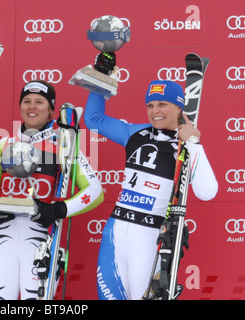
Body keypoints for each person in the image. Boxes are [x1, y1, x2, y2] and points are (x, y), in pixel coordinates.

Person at [83, 55, 218, 300]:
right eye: (150, 105)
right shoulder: (134, 132)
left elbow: (208, 192)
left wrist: (194, 143)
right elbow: (93, 120)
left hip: (149, 237)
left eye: (162, 104)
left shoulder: (186, 144)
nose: (155, 111)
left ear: (179, 107)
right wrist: (101, 78)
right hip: (115, 231)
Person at [0, 80, 103, 300]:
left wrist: (57, 210)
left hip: (40, 242)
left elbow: (95, 192)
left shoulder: (64, 145)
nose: (31, 107)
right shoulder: (2, 144)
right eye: (26, 101)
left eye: (39, 102)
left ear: (51, 109)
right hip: (1, 241)